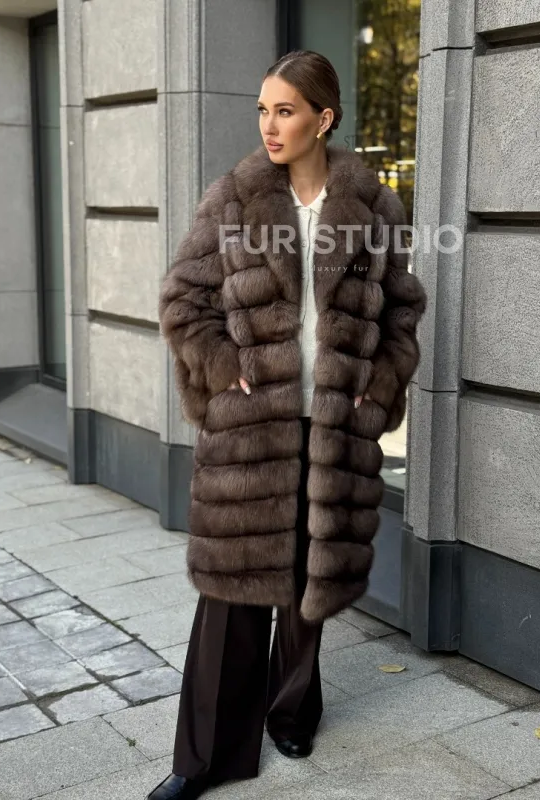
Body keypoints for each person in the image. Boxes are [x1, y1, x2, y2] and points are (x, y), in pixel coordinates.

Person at [148, 49, 426, 800]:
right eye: (263, 110)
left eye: (285, 111)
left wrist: (378, 382)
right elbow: (183, 299)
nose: (269, 126)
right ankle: (204, 756)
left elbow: (402, 311)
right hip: (251, 428)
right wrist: (218, 362)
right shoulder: (234, 200)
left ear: (323, 119)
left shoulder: (373, 208)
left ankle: (293, 708)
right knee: (234, 589)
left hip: (333, 423)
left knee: (311, 577)